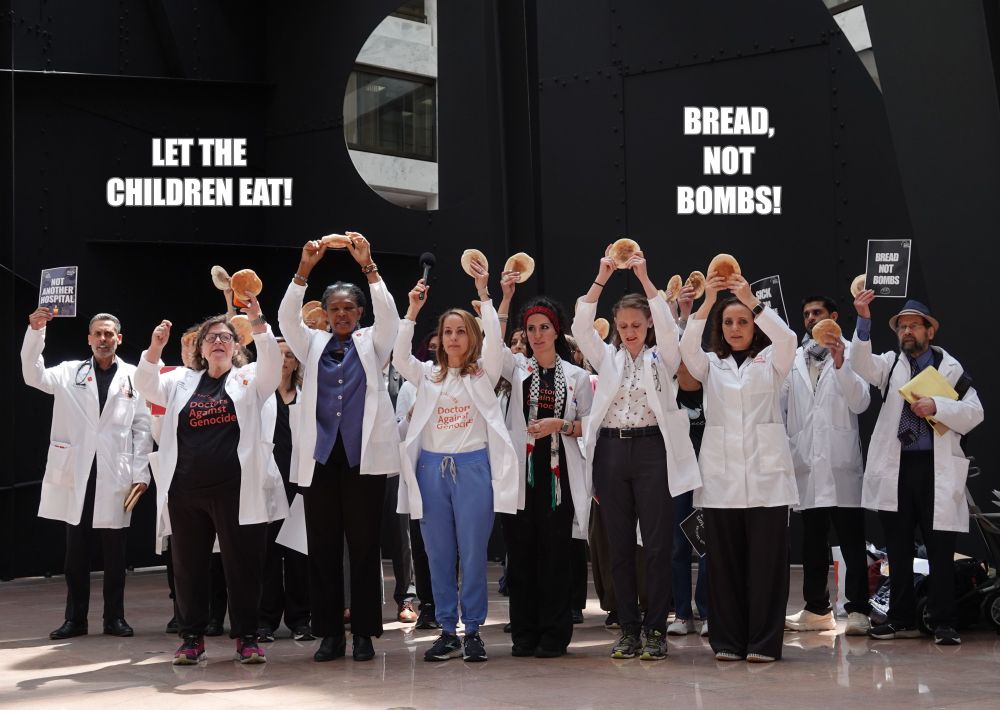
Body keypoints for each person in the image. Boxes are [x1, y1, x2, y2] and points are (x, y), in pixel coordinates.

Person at [135, 297, 287, 665]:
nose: (218, 341)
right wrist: (155, 348)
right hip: (186, 492)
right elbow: (145, 384)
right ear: (201, 349)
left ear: (236, 346)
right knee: (189, 568)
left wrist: (256, 319)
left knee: (242, 566)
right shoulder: (179, 381)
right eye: (211, 338)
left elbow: (272, 364)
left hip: (236, 490)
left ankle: (247, 638)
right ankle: (192, 639)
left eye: (225, 337)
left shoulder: (249, 379)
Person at [571, 247, 701, 661]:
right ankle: (628, 628)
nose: (629, 332)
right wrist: (602, 275)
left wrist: (645, 278)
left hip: (652, 451)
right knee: (620, 545)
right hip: (611, 451)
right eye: (624, 325)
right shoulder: (605, 357)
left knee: (658, 545)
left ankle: (656, 628)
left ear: (648, 325)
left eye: (637, 325)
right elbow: (580, 325)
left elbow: (668, 326)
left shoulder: (663, 357)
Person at [277, 232, 400, 663]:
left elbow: (391, 317)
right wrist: (304, 270)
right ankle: (329, 633)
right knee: (323, 549)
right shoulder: (311, 344)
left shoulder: (373, 343)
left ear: (359, 313)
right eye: (335, 309)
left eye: (349, 308)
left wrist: (369, 266)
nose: (342, 314)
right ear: (325, 314)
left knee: (364, 548)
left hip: (363, 460)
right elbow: (286, 319)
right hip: (321, 460)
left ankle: (364, 634)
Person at [394, 262, 518, 663]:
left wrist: (484, 293)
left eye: (460, 331)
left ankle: (474, 630)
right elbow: (399, 357)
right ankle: (448, 630)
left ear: (472, 336)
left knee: (474, 553)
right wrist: (412, 310)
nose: (453, 337)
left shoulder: (483, 374)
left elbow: (496, 344)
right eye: (447, 331)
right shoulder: (427, 375)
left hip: (473, 470)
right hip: (431, 472)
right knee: (439, 554)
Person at [849, 295, 983, 645]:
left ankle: (943, 622)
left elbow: (975, 413)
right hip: (898, 468)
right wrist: (863, 319)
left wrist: (937, 406)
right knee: (898, 548)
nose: (907, 331)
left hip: (935, 469)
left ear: (929, 331)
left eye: (913, 326)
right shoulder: (890, 364)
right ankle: (901, 619)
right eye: (902, 327)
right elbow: (860, 363)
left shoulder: (951, 370)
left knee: (940, 549)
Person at [680, 270, 797, 663]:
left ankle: (763, 643)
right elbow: (686, 347)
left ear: (753, 324)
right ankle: (728, 640)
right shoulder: (711, 366)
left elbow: (788, 338)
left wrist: (751, 301)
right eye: (728, 322)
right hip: (721, 480)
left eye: (742, 321)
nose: (735, 328)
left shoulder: (772, 361)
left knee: (767, 566)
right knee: (724, 565)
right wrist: (708, 302)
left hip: (768, 480)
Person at [22, 309, 153, 640]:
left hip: (116, 474)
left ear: (119, 338)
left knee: (115, 555)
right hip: (78, 473)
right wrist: (36, 332)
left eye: (109, 334)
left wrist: (141, 472)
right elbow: (33, 375)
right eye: (98, 333)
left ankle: (114, 618)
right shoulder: (69, 372)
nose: (103, 339)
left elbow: (142, 427)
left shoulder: (134, 377)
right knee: (76, 554)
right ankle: (75, 620)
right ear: (89, 339)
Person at [499, 285, 594, 658]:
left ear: (557, 331)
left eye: (544, 327)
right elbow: (492, 345)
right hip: (522, 475)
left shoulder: (576, 376)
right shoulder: (517, 368)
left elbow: (590, 423)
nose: (537, 335)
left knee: (555, 556)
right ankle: (524, 634)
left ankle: (555, 634)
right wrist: (503, 298)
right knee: (521, 556)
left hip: (559, 475)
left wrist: (560, 425)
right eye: (531, 329)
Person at [782, 296, 872, 636]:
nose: (810, 318)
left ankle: (859, 609)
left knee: (851, 540)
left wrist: (841, 364)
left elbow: (861, 402)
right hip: (807, 462)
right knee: (812, 542)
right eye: (806, 313)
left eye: (817, 312)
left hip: (840, 463)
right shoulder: (794, 359)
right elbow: (782, 405)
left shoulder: (852, 353)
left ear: (832, 316)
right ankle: (817, 609)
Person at [257, 337, 313, 642]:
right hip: (267, 484)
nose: (284, 360)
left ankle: (300, 620)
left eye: (289, 355)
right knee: (266, 557)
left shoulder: (306, 397)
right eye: (278, 355)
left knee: (297, 556)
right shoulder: (259, 396)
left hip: (298, 485)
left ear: (296, 363)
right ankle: (265, 621)